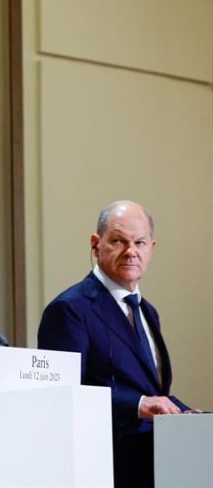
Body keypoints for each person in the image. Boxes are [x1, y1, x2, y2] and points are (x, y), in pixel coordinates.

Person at [38, 199, 195, 488]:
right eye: (119, 241)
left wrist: (188, 415)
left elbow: (153, 392)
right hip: (105, 465)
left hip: (159, 462)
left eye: (139, 242)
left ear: (152, 248)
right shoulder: (70, 309)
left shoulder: (148, 311)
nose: (131, 252)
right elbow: (63, 393)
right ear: (96, 245)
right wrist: (137, 405)